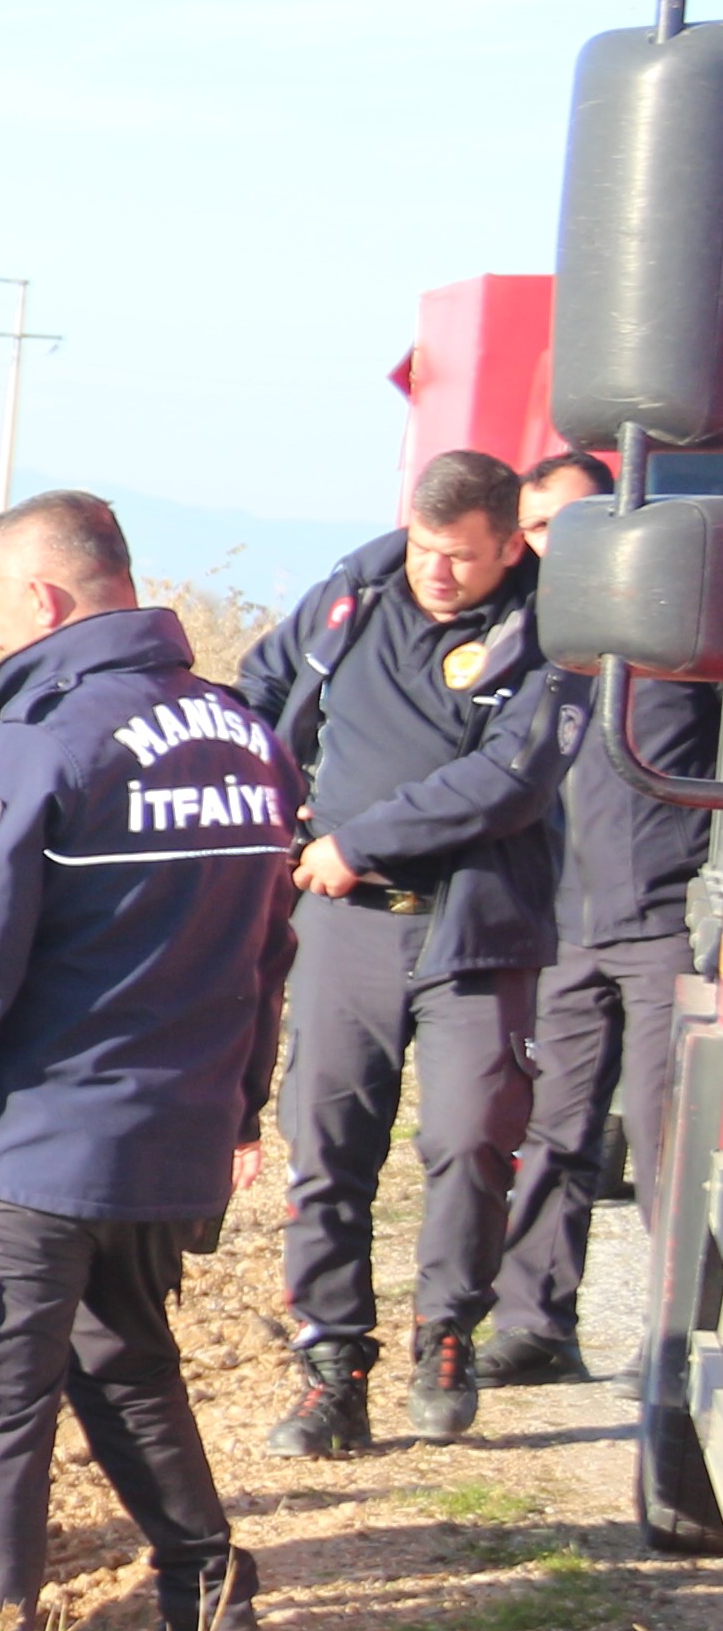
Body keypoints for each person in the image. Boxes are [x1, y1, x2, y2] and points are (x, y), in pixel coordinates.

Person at [0, 491, 297, 1631]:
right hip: (167, 1139)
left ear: (46, 601)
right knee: (124, 1363)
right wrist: (235, 1109)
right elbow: (269, 951)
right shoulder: (243, 736)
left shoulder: (38, 742)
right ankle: (212, 1608)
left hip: (36, 1148)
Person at [236, 447, 586, 1451]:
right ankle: (332, 1365)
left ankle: (446, 1332)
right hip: (342, 924)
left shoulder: (551, 630)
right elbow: (261, 691)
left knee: (472, 1136)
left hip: (472, 924)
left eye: (463, 557)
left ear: (509, 544)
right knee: (327, 1148)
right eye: (428, 549)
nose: (438, 572)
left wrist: (359, 841)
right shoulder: (351, 595)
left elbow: (508, 782)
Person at [488, 447, 716, 1385]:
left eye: (574, 524)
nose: (558, 547)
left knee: (674, 1138)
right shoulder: (529, 636)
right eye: (538, 530)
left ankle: (681, 1339)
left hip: (669, 916)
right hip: (564, 918)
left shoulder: (682, 624)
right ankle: (537, 1325)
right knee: (554, 1128)